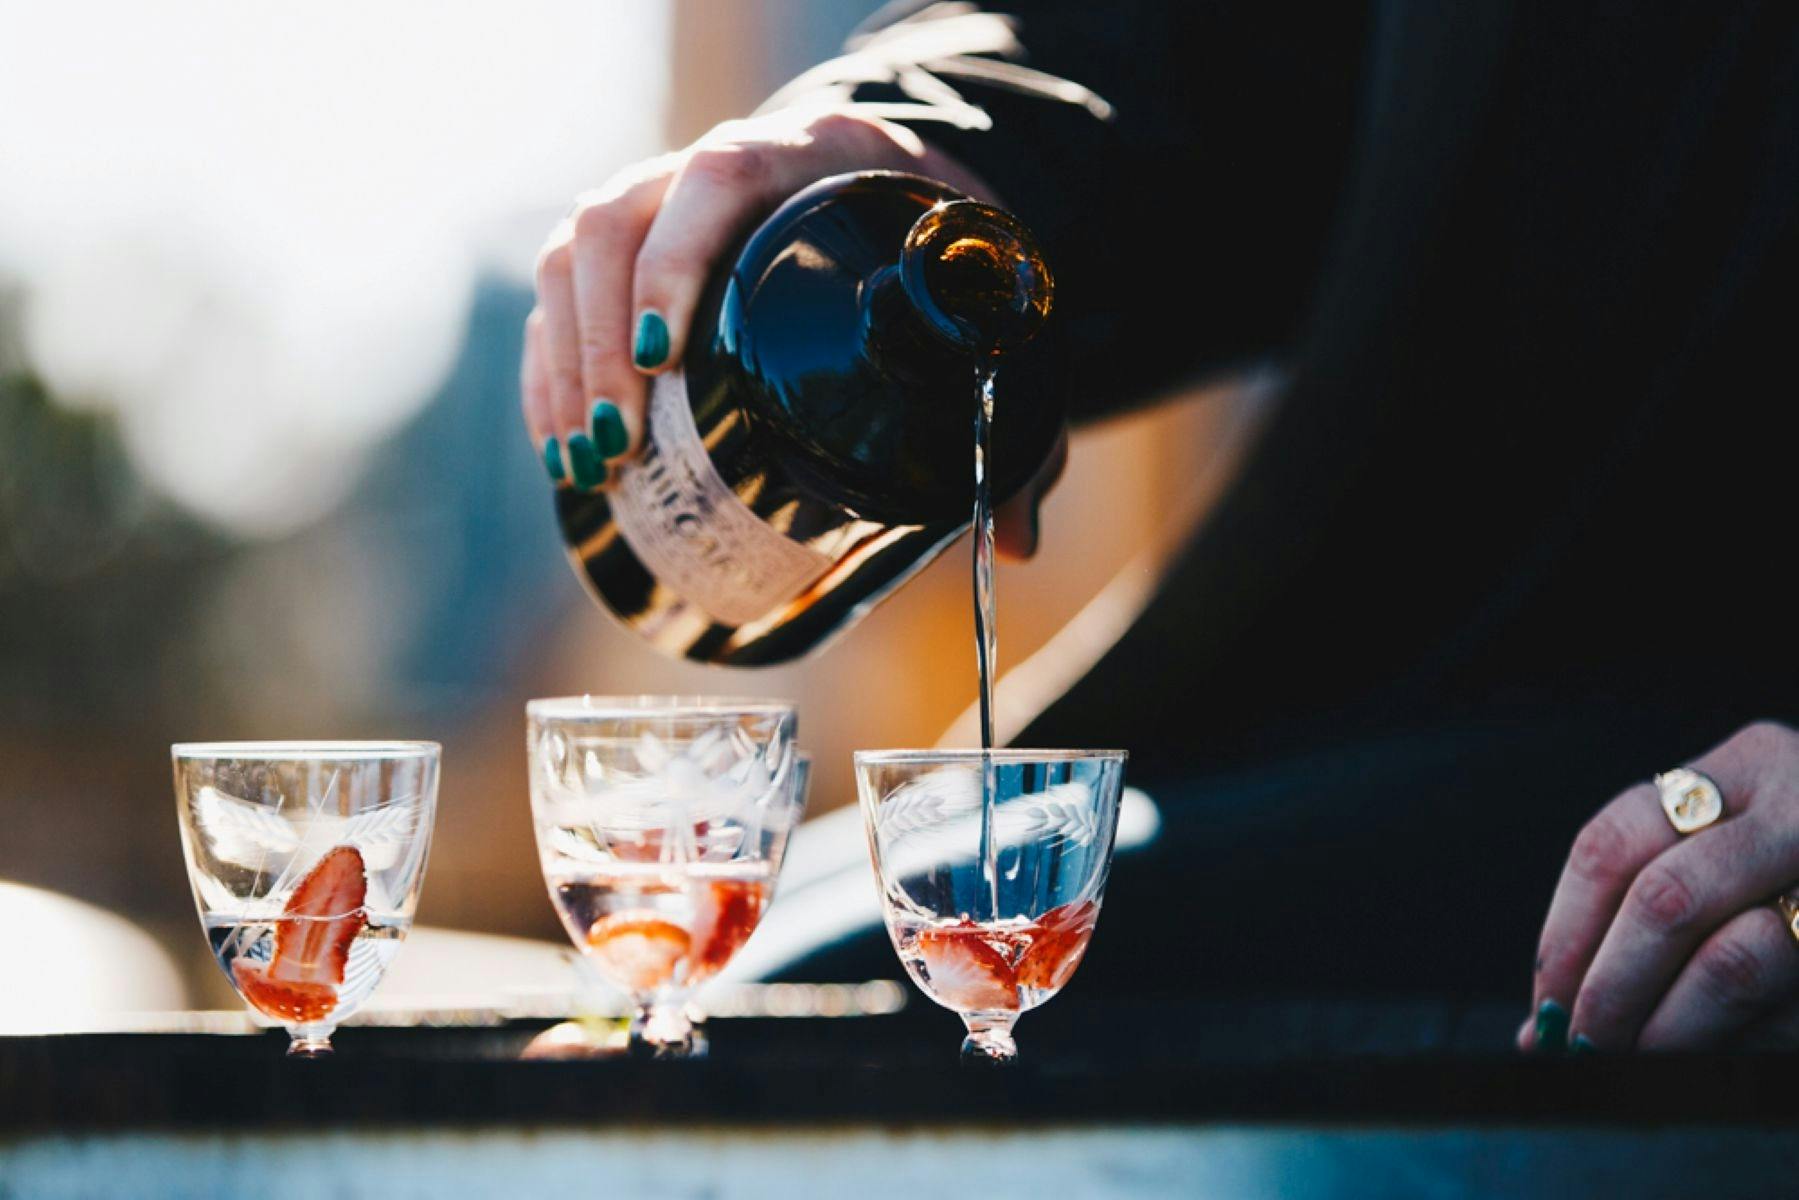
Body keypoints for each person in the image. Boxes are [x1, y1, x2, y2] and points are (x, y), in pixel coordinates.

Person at [520, 1, 1799, 1052]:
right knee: (756, 965)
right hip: (1413, 665)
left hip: (1686, 764)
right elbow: (1239, 60)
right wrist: (923, 146)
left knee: (797, 1023)